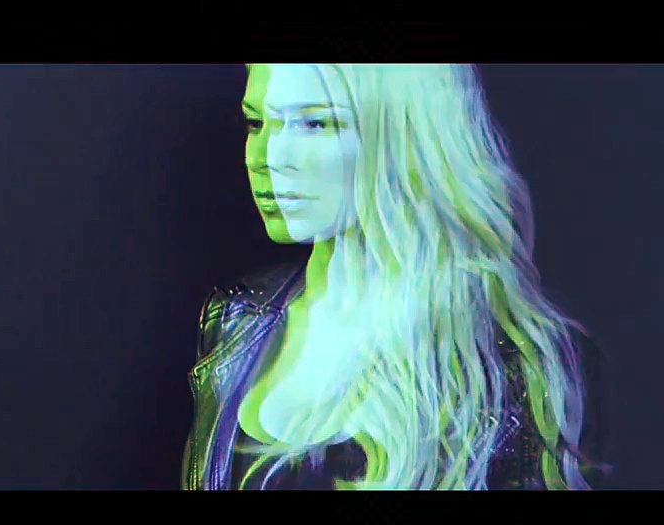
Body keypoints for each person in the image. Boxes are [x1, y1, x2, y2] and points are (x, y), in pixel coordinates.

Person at [183, 63, 605, 490]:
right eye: (256, 123)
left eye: (316, 124)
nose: (268, 159)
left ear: (405, 134)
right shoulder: (237, 320)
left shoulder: (508, 359)